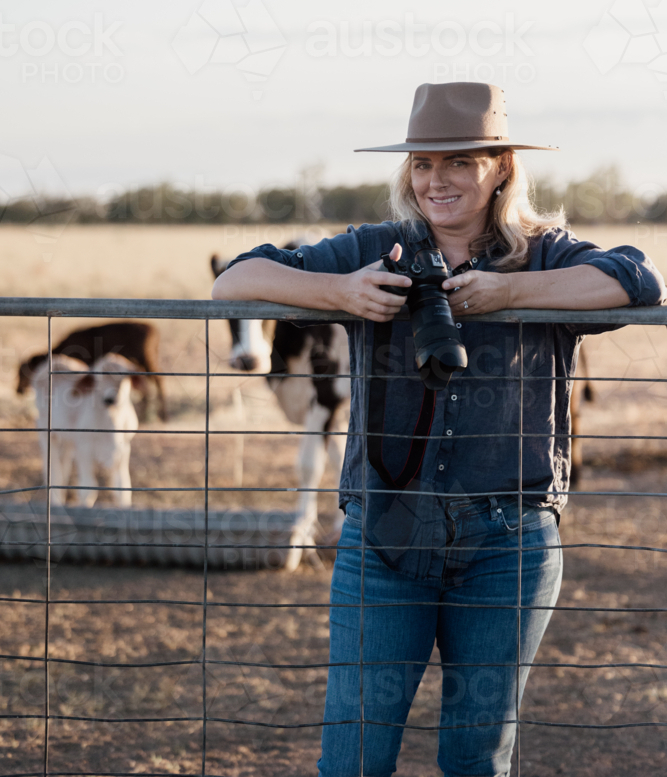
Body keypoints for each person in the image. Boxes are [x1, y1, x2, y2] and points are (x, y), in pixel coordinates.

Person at [212, 82, 664, 777]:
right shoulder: (377, 247)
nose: (435, 179)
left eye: (458, 161)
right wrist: (342, 293)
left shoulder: (544, 254)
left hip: (508, 540)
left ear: (500, 169)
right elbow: (233, 282)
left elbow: (638, 280)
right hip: (385, 534)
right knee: (353, 754)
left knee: (475, 758)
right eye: (422, 163)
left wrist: (507, 293)